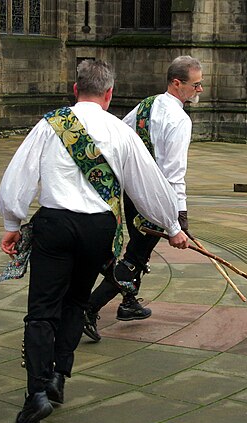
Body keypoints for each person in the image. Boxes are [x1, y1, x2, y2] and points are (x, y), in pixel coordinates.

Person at [0, 59, 188, 423]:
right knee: (75, 302)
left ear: (75, 89)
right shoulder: (120, 131)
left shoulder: (50, 125)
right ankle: (58, 377)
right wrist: (171, 225)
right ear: (109, 94)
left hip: (55, 225)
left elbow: (18, 175)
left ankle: (36, 393)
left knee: (42, 310)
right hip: (98, 230)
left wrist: (12, 221)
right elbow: (148, 184)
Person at [83, 55, 203, 342]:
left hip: (132, 193)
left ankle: (128, 302)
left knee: (139, 249)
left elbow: (120, 137)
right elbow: (174, 175)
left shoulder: (146, 105)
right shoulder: (179, 120)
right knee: (135, 258)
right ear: (177, 84)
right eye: (196, 85)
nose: (200, 90)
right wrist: (177, 216)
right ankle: (89, 307)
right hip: (154, 197)